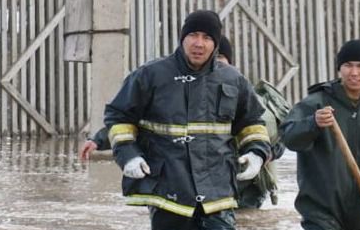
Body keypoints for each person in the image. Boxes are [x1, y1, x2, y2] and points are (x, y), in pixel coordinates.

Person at [104, 10, 272, 230]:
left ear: (215, 43)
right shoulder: (150, 75)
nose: (199, 43)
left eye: (207, 37)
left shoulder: (233, 79)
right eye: (193, 35)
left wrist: (257, 152)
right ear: (182, 38)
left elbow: (252, 122)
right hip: (169, 186)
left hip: (218, 187)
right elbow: (118, 115)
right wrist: (128, 155)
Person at [81, 37, 288, 210]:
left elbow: (275, 136)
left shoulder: (241, 93)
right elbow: (141, 123)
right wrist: (99, 140)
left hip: (244, 185)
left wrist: (262, 155)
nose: (216, 63)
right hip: (200, 182)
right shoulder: (181, 90)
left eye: (221, 58)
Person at [280, 39, 360, 230]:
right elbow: (288, 138)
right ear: (339, 69)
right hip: (321, 214)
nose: (354, 72)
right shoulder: (316, 103)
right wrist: (313, 123)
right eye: (348, 65)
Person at [215, 38, 288, 209]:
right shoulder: (190, 97)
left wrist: (265, 153)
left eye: (221, 59)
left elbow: (280, 136)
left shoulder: (246, 96)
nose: (217, 65)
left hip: (249, 185)